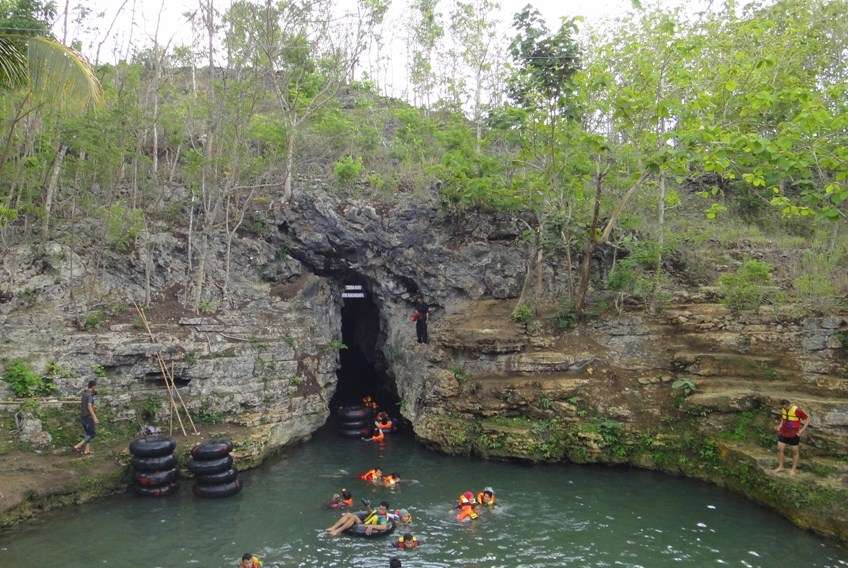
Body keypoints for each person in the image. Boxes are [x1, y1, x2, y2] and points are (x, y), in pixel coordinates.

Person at [774, 399, 810, 476]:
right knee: (780, 449)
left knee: (795, 452)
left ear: (787, 405)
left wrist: (801, 431)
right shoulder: (783, 409)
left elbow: (807, 419)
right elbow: (783, 418)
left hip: (794, 434)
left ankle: (793, 470)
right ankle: (781, 467)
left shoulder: (797, 410)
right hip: (783, 432)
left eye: (784, 407)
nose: (783, 408)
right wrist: (780, 426)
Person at [325, 501, 392, 536]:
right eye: (380, 508)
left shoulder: (383, 518)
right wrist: (367, 506)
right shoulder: (377, 511)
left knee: (353, 517)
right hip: (364, 522)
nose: (380, 510)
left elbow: (383, 527)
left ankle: (337, 531)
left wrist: (371, 526)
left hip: (364, 526)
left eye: (383, 510)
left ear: (386, 510)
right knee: (348, 514)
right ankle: (333, 527)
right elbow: (370, 513)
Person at [73, 380, 98, 455]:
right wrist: (95, 417)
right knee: (92, 434)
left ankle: (86, 450)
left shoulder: (84, 394)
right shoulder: (90, 395)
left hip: (83, 416)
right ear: (93, 386)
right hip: (88, 417)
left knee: (87, 433)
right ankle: (78, 446)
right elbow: (89, 406)